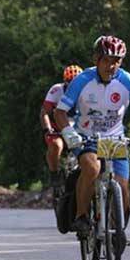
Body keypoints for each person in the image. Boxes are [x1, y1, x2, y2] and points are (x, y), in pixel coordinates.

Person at [55, 35, 130, 238]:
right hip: (86, 137)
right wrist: (69, 133)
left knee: (123, 187)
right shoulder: (82, 80)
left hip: (114, 139)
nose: (111, 66)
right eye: (107, 61)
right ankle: (82, 216)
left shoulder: (126, 79)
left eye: (116, 61)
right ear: (96, 59)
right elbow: (60, 112)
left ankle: (114, 228)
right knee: (92, 168)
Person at [40, 64, 83, 197]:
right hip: (57, 127)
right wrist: (47, 129)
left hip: (78, 127)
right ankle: (55, 174)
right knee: (56, 145)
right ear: (65, 82)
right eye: (69, 84)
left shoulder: (87, 91)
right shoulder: (56, 90)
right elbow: (45, 112)